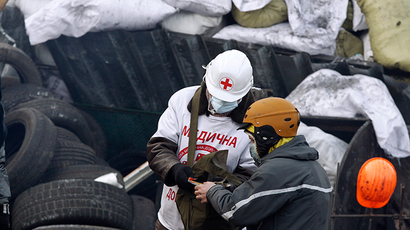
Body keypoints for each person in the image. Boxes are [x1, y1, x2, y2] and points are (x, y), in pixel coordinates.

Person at [147, 49, 258, 230]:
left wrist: (218, 189)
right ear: (206, 81)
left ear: (245, 94)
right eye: (215, 95)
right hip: (170, 222)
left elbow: (253, 178)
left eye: (230, 99)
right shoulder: (182, 101)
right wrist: (174, 170)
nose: (221, 103)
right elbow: (158, 147)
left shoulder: (256, 120)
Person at [194, 97, 332, 230]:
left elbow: (236, 212)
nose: (251, 146)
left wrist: (212, 191)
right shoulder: (313, 167)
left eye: (252, 140)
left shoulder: (278, 170)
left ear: (266, 136)